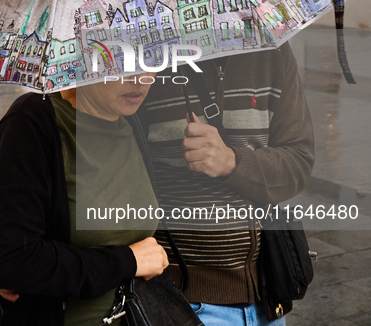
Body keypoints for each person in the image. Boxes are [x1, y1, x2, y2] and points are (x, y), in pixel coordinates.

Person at [131, 45, 314, 325]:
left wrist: (231, 162)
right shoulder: (145, 59)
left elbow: (298, 162)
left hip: (267, 296)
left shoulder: (272, 51)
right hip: (184, 301)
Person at [0, 75, 170, 325]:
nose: (139, 79)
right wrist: (126, 262)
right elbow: (12, 260)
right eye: (121, 60)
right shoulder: (32, 121)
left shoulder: (137, 117)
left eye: (149, 60)